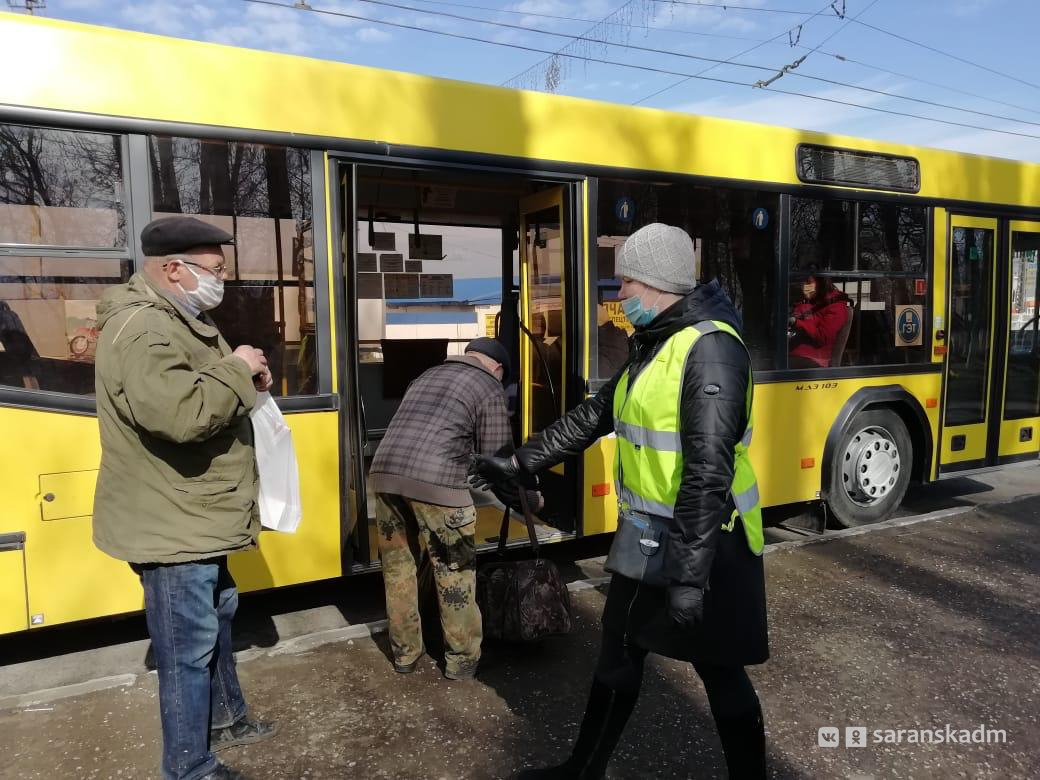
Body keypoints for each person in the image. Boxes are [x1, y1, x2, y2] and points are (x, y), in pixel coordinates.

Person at [471, 222, 769, 779]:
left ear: (657, 285)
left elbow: (708, 473)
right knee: (617, 656)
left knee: (721, 671)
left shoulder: (711, 350)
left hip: (708, 547)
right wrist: (521, 461)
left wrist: (687, 578)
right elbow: (593, 416)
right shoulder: (653, 345)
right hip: (648, 540)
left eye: (625, 282)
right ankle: (583, 770)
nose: (619, 295)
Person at [93, 216, 277, 780]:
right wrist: (239, 367)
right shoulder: (148, 329)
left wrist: (246, 375)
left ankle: (227, 718)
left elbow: (200, 388)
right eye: (215, 270)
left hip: (190, 513)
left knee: (216, 617)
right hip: (172, 522)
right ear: (174, 269)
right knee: (185, 653)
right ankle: (190, 768)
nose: (221, 280)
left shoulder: (179, 317)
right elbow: (181, 414)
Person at [369, 337, 539, 681]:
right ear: (498, 369)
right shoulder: (488, 386)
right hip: (437, 484)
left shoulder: (427, 375)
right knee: (454, 573)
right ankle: (461, 660)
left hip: (385, 478)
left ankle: (405, 654)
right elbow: (498, 459)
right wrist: (529, 501)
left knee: (398, 571)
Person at [788, 267, 851, 369]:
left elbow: (822, 337)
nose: (804, 286)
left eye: (808, 282)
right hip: (795, 353)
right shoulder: (811, 302)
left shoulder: (836, 307)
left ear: (820, 282)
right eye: (802, 282)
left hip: (814, 360)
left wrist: (797, 323)